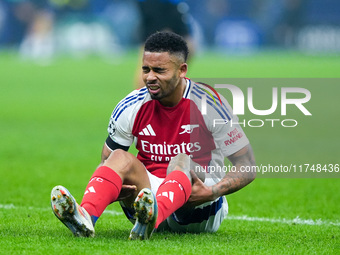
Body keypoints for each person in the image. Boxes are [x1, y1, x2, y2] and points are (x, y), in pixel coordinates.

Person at [51, 31, 256, 240]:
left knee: (182, 159)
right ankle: (85, 216)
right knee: (119, 158)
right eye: (145, 69)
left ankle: (152, 217)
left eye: (159, 70)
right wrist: (114, 188)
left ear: (182, 70)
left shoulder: (209, 104)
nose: (150, 77)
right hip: (145, 200)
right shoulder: (131, 106)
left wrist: (212, 192)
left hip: (198, 207)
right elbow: (106, 162)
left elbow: (247, 165)